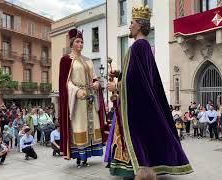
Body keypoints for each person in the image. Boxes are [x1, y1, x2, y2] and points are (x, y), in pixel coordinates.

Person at [105, 5, 193, 178]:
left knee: (136, 136)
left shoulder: (139, 46)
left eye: (131, 23)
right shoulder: (142, 46)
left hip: (136, 105)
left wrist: (117, 86)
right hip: (137, 101)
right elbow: (138, 75)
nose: (129, 26)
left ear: (139, 25)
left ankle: (135, 169)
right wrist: (120, 74)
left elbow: (138, 80)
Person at [59, 28, 106, 168]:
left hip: (90, 96)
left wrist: (97, 83)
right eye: (78, 41)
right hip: (77, 99)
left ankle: (87, 156)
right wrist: (76, 91)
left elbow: (94, 77)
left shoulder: (88, 60)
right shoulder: (66, 60)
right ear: (72, 43)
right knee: (79, 125)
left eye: (82, 42)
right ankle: (79, 156)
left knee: (91, 125)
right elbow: (64, 82)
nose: (80, 44)